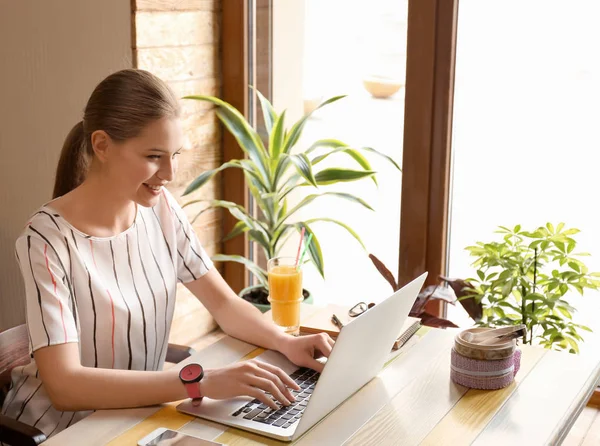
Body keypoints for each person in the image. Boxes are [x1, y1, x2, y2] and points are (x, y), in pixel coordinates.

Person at [0, 69, 334, 439]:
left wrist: (289, 343)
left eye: (175, 154)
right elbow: (65, 386)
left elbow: (223, 305)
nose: (170, 173)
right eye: (154, 156)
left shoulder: (160, 210)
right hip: (63, 431)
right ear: (102, 145)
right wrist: (197, 382)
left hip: (141, 416)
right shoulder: (45, 238)